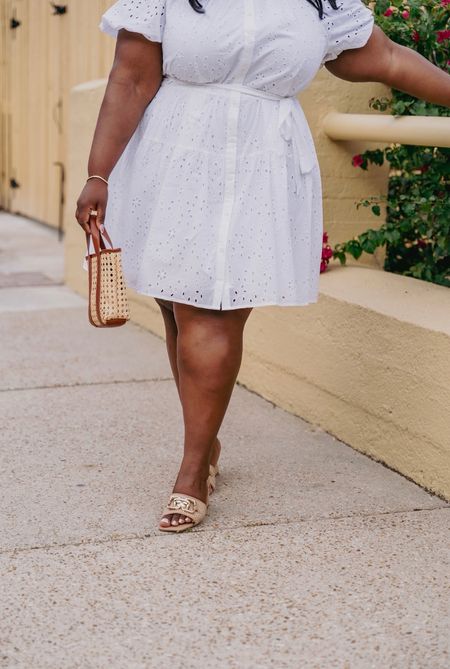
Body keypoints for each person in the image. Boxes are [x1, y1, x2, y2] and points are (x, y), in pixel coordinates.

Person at [76, 0, 450, 533]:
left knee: (215, 312)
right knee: (179, 308)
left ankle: (192, 471)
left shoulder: (318, 3)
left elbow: (386, 57)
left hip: (261, 161)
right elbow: (130, 80)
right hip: (173, 154)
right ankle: (204, 441)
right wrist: (99, 174)